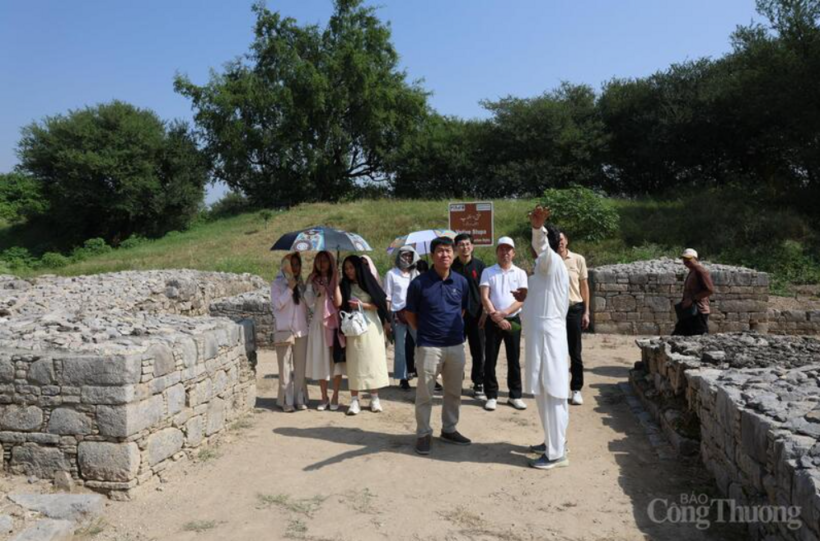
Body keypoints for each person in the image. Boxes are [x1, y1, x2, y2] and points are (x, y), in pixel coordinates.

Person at [406, 237, 471, 455]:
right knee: (425, 394)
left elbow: (461, 310)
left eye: (448, 251)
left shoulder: (461, 282)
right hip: (429, 346)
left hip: (455, 345)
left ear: (453, 255)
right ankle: (424, 433)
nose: (445, 255)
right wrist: (427, 333)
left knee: (453, 392)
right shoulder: (419, 283)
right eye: (440, 251)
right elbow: (410, 315)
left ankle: (449, 429)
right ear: (432, 255)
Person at [518, 205, 571, 470]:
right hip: (541, 339)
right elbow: (545, 299)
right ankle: (553, 442)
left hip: (549, 341)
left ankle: (556, 453)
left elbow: (544, 248)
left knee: (552, 393)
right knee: (543, 392)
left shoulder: (551, 261)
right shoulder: (542, 267)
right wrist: (526, 300)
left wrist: (538, 228)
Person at [480, 236, 528, 411]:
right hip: (493, 320)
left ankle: (515, 395)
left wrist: (505, 314)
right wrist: (496, 317)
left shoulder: (520, 273)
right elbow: (485, 297)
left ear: (513, 253)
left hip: (513, 319)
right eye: (501, 249)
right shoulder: (488, 272)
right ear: (497, 252)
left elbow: (522, 299)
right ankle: (491, 395)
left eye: (508, 249)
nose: (505, 252)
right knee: (490, 358)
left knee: (513, 358)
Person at [340, 255, 391, 415]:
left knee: (372, 360)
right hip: (352, 326)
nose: (349, 271)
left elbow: (380, 303)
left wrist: (363, 305)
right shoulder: (344, 284)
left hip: (371, 324)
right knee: (354, 362)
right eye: (346, 268)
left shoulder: (369, 281)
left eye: (351, 267)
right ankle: (354, 400)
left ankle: (374, 397)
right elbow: (339, 303)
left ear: (357, 267)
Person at [305, 251, 346, 411]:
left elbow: (339, 302)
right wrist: (312, 286)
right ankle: (323, 397)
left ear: (330, 262)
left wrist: (334, 282)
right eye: (319, 261)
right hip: (318, 323)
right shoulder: (313, 280)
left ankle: (335, 395)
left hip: (334, 323)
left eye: (325, 261)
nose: (322, 264)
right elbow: (308, 302)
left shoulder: (338, 279)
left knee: (335, 361)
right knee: (321, 360)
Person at [270, 252, 309, 412]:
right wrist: (290, 289)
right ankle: (286, 400)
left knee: (300, 367)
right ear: (285, 266)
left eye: (297, 264)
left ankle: (300, 398)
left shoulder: (303, 284)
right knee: (284, 367)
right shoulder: (277, 284)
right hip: (284, 330)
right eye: (291, 264)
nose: (294, 268)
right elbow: (277, 304)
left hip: (301, 330)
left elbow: (310, 304)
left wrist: (310, 288)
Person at [452, 233, 487, 399]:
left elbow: (487, 291)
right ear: (456, 248)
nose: (464, 248)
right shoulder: (451, 267)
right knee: (456, 351)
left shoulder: (480, 267)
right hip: (455, 317)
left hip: (477, 316)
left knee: (478, 350)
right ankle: (456, 381)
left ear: (472, 246)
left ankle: (478, 382)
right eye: (461, 245)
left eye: (467, 244)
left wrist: (485, 312)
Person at [557, 232, 590, 406]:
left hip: (574, 309)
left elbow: (584, 286)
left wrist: (587, 311)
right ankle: (559, 388)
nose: (560, 243)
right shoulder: (550, 260)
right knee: (556, 352)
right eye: (557, 240)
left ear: (567, 240)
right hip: (555, 312)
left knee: (574, 351)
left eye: (562, 240)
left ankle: (576, 389)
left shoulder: (577, 259)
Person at [384, 246, 421, 390]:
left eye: (410, 256)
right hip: (398, 314)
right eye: (404, 255)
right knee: (400, 348)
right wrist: (387, 319)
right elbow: (388, 296)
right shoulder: (391, 274)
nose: (407, 258)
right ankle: (403, 377)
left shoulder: (416, 274)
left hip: (414, 314)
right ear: (399, 256)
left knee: (422, 344)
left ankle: (423, 373)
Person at [672, 248, 715, 336]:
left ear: (695, 259)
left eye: (688, 259)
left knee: (699, 338)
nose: (686, 262)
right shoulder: (693, 271)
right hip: (689, 311)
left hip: (698, 311)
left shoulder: (700, 271)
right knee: (677, 336)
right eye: (684, 259)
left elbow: (710, 290)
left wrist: (692, 299)